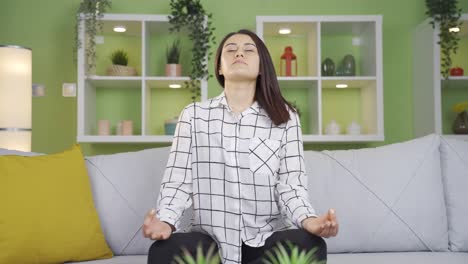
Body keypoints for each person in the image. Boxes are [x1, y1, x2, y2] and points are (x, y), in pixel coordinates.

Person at [143, 29, 339, 264]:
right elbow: (178, 182)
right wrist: (165, 221)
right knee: (162, 252)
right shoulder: (193, 116)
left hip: (265, 240)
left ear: (261, 66)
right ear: (219, 67)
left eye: (248, 50)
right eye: (231, 49)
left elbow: (291, 186)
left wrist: (310, 221)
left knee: (311, 246)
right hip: (211, 243)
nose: (239, 53)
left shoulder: (285, 118)